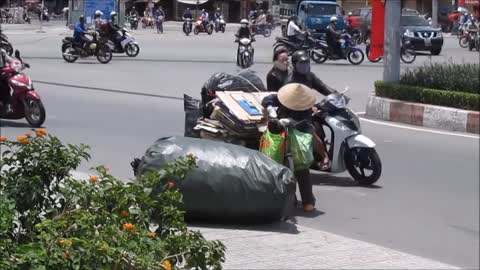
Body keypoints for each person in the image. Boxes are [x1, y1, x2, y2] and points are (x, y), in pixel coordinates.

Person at [261, 83, 318, 212]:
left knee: (302, 168)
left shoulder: (305, 108)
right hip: (282, 131)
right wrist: (270, 108)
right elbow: (267, 100)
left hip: (299, 136)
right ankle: (287, 199)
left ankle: (308, 202)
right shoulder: (280, 98)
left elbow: (306, 124)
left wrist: (292, 122)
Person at [288, 50, 334, 170]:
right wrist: (307, 106)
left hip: (308, 111)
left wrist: (336, 95)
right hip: (295, 113)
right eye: (301, 64)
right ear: (294, 65)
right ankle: (324, 156)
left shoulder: (310, 76)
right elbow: (290, 100)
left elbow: (323, 87)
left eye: (306, 64)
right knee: (312, 131)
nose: (304, 67)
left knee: (322, 123)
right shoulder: (290, 81)